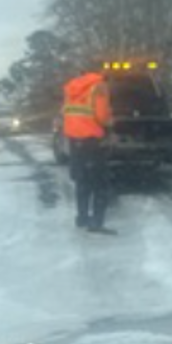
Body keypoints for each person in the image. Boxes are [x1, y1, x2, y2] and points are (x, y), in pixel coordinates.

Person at [62, 69, 114, 232]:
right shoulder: (100, 87)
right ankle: (97, 223)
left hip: (74, 141)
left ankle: (82, 218)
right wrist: (110, 121)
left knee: (82, 181)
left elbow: (65, 112)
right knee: (100, 184)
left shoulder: (72, 87)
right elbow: (101, 116)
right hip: (92, 142)